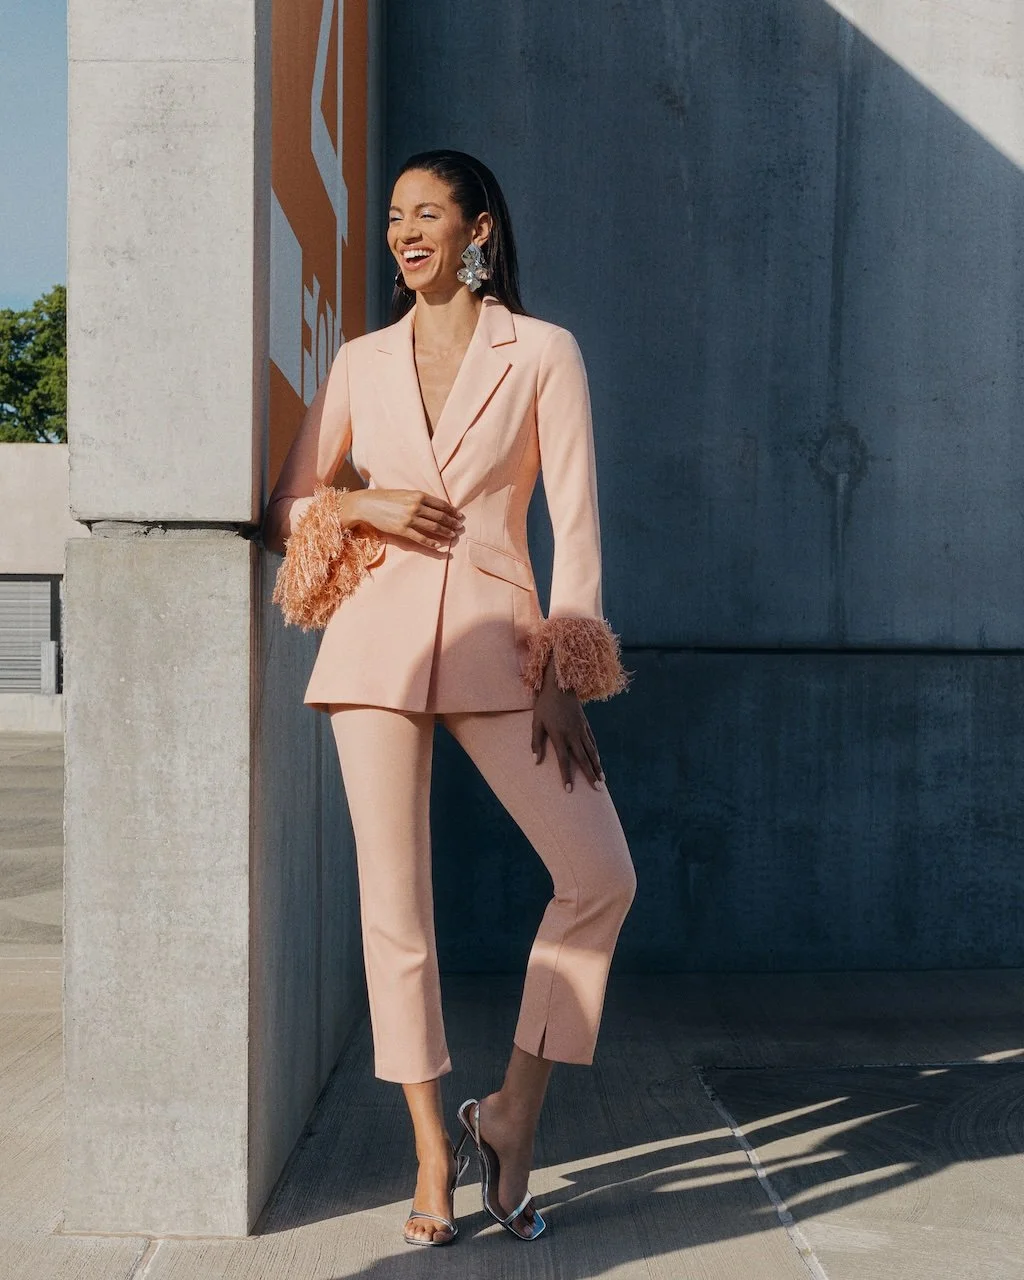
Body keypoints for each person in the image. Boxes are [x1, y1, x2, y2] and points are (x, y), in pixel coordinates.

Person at [262, 149, 636, 1246]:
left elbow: (576, 521)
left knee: (599, 874)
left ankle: (511, 1111)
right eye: (394, 216)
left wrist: (566, 669)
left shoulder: (543, 351)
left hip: (502, 645)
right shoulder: (361, 360)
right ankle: (430, 1149)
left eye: (428, 213)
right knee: (396, 909)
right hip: (374, 646)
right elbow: (289, 506)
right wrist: (361, 504)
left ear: (478, 230)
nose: (405, 232)